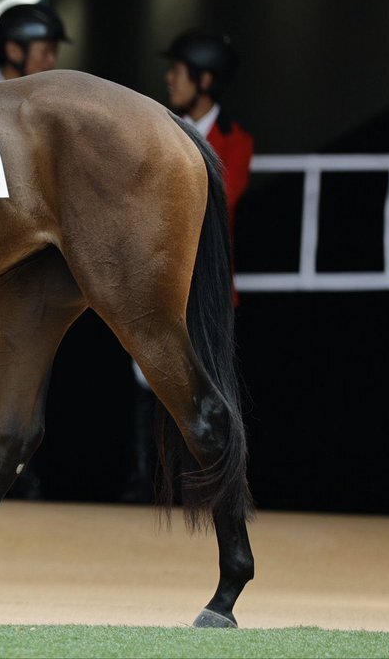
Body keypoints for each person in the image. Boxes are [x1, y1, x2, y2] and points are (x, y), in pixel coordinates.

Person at [122, 28, 254, 502]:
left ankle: (203, 482)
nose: (170, 78)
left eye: (179, 71)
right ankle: (147, 476)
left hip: (205, 281)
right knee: (148, 376)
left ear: (205, 80)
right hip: (160, 275)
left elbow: (222, 196)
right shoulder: (158, 128)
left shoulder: (236, 141)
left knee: (204, 379)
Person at [0, 2, 71, 499]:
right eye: (43, 50)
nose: (52, 60)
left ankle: (25, 468)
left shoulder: (57, 107)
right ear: (13, 49)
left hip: (36, 243)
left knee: (35, 347)